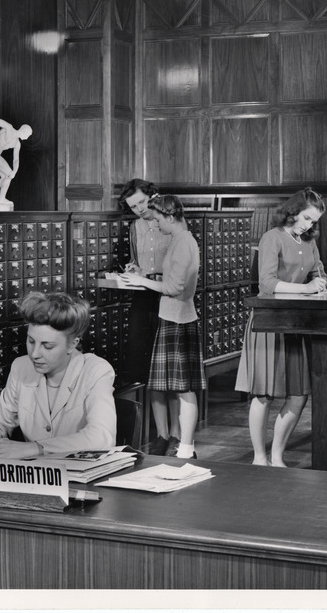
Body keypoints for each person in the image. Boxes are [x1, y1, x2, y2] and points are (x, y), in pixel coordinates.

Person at [235, 188, 327, 466]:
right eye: (306, 218)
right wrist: (307, 289)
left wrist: (322, 284)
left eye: (314, 221)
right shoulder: (271, 237)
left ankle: (277, 455)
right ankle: (259, 457)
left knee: (298, 395)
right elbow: (267, 283)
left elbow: (318, 271)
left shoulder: (308, 240)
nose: (309, 225)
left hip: (297, 322)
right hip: (269, 321)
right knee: (263, 394)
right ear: (294, 210)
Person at [0, 292, 116, 456]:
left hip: (80, 476)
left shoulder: (96, 370)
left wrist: (35, 448)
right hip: (36, 476)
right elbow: (0, 422)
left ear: (72, 344)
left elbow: (102, 437)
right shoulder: (21, 367)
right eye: (31, 341)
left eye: (47, 346)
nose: (35, 353)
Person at [120, 195, 205, 459]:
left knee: (184, 389)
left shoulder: (182, 243)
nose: (155, 225)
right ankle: (185, 446)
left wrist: (140, 281)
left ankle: (187, 447)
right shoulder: (182, 240)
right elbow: (172, 280)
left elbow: (172, 288)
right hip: (175, 317)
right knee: (181, 388)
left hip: (177, 320)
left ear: (170, 217)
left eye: (157, 219)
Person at [117, 179, 174, 454]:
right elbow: (138, 262)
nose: (139, 209)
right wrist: (134, 268)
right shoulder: (135, 227)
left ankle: (177, 435)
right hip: (143, 299)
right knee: (148, 370)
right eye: (133, 206)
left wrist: (153, 275)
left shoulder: (172, 223)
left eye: (141, 202)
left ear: (154, 195)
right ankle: (161, 435)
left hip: (169, 298)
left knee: (171, 373)